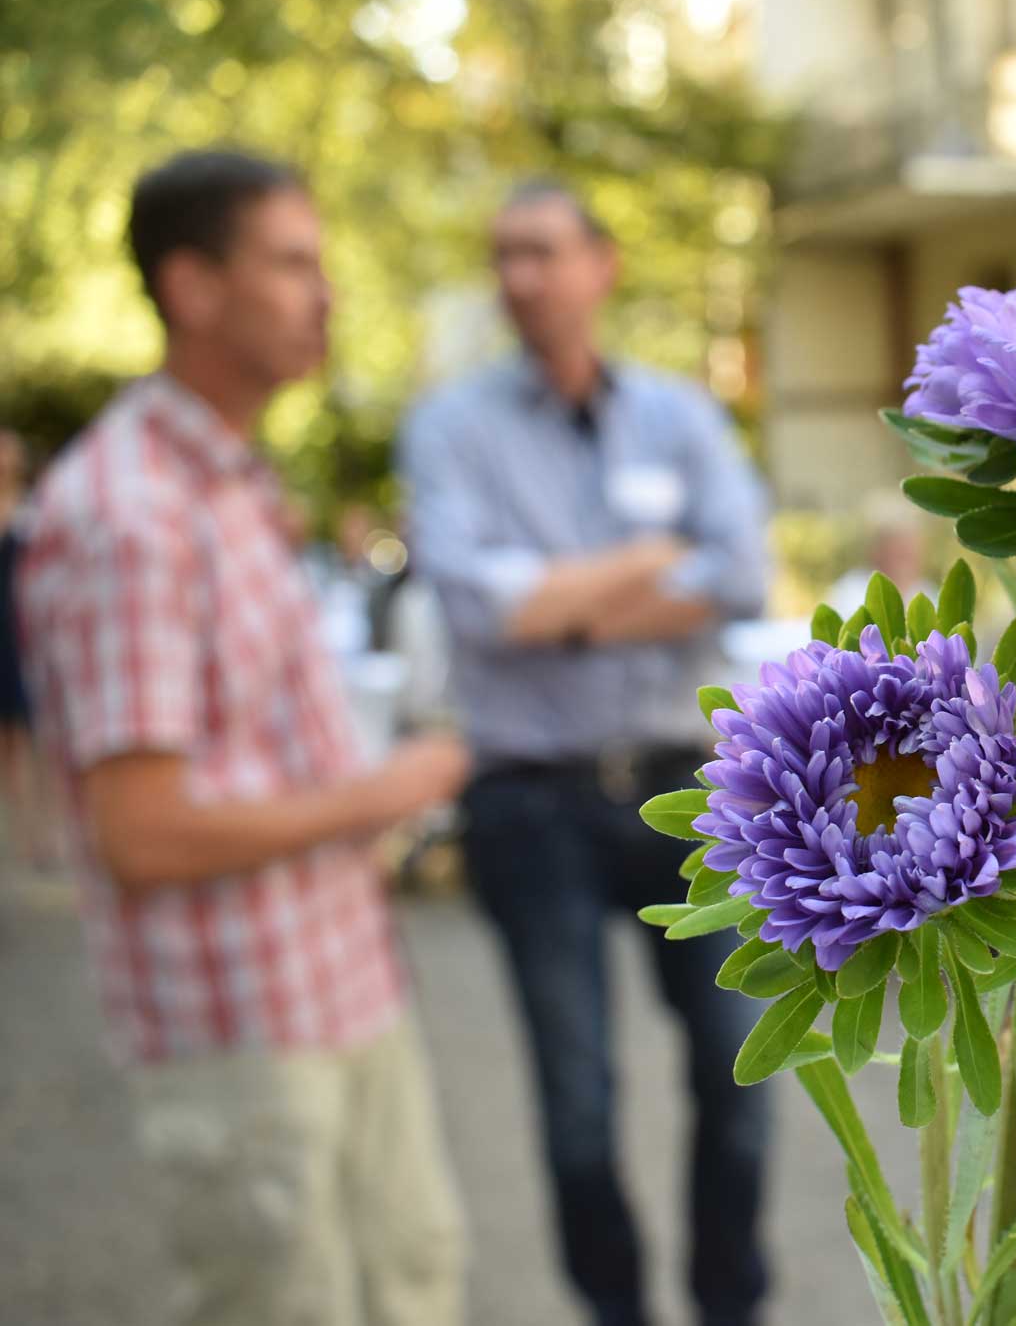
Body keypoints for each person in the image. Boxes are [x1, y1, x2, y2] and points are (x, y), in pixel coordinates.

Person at [15, 150, 468, 1325]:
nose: (324, 294)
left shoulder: (220, 478)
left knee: (413, 1277)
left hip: (341, 986)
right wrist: (385, 793)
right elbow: (142, 834)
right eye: (291, 263)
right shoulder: (130, 511)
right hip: (244, 1032)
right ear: (193, 286)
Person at [399, 179, 773, 1326]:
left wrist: (556, 602)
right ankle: (614, 1311)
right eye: (502, 254)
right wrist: (653, 560)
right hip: (530, 802)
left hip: (683, 784)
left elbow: (743, 574)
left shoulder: (680, 415)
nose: (520, 276)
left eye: (543, 252)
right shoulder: (449, 428)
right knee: (576, 1104)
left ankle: (728, 1304)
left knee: (738, 1078)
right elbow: (475, 611)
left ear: (600, 265)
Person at [0, 427, 53, 869]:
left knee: (30, 739)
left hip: (23, 633)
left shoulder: (33, 511)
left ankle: (39, 834)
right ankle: (17, 835)